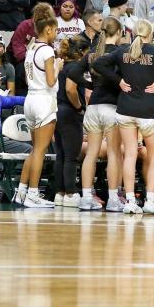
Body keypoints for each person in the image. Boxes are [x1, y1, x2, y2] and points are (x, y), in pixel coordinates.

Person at [93, 19, 154, 214]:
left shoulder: (122, 50)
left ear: (133, 33)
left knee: (130, 154)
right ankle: (150, 200)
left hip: (125, 109)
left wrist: (119, 81)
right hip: (148, 110)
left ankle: (130, 201)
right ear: (150, 34)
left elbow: (98, 63)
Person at [15, 8, 62, 208]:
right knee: (40, 151)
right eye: (56, 30)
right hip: (44, 100)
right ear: (49, 29)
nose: (57, 33)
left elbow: (28, 77)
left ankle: (22, 192)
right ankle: (34, 194)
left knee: (35, 150)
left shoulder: (31, 48)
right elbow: (51, 81)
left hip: (30, 99)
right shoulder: (48, 50)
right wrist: (59, 65)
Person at [78, 16, 126, 211]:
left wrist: (89, 85)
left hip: (93, 107)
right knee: (114, 153)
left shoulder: (92, 53)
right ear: (120, 32)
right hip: (111, 108)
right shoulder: (121, 52)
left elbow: (73, 72)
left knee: (91, 153)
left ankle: (86, 197)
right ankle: (114, 198)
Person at [51, 37, 90, 207]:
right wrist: (79, 107)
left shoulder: (61, 66)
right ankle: (71, 193)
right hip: (70, 112)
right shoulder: (75, 66)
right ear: (81, 52)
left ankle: (59, 193)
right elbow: (70, 88)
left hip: (57, 111)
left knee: (61, 154)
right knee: (71, 156)